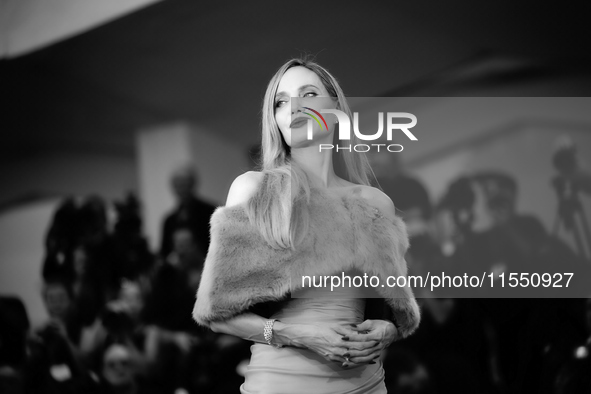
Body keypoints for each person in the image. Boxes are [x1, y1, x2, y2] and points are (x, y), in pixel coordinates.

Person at [192, 58, 421, 393]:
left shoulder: (375, 204)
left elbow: (390, 309)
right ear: (275, 120)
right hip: (282, 381)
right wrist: (300, 335)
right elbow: (217, 314)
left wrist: (389, 329)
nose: (294, 106)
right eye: (281, 102)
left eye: (308, 94)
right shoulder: (256, 190)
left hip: (366, 383)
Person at [159, 165, 216, 260]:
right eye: (178, 185)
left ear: (192, 185)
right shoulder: (169, 220)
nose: (182, 189)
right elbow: (165, 253)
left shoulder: (210, 212)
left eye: (185, 184)